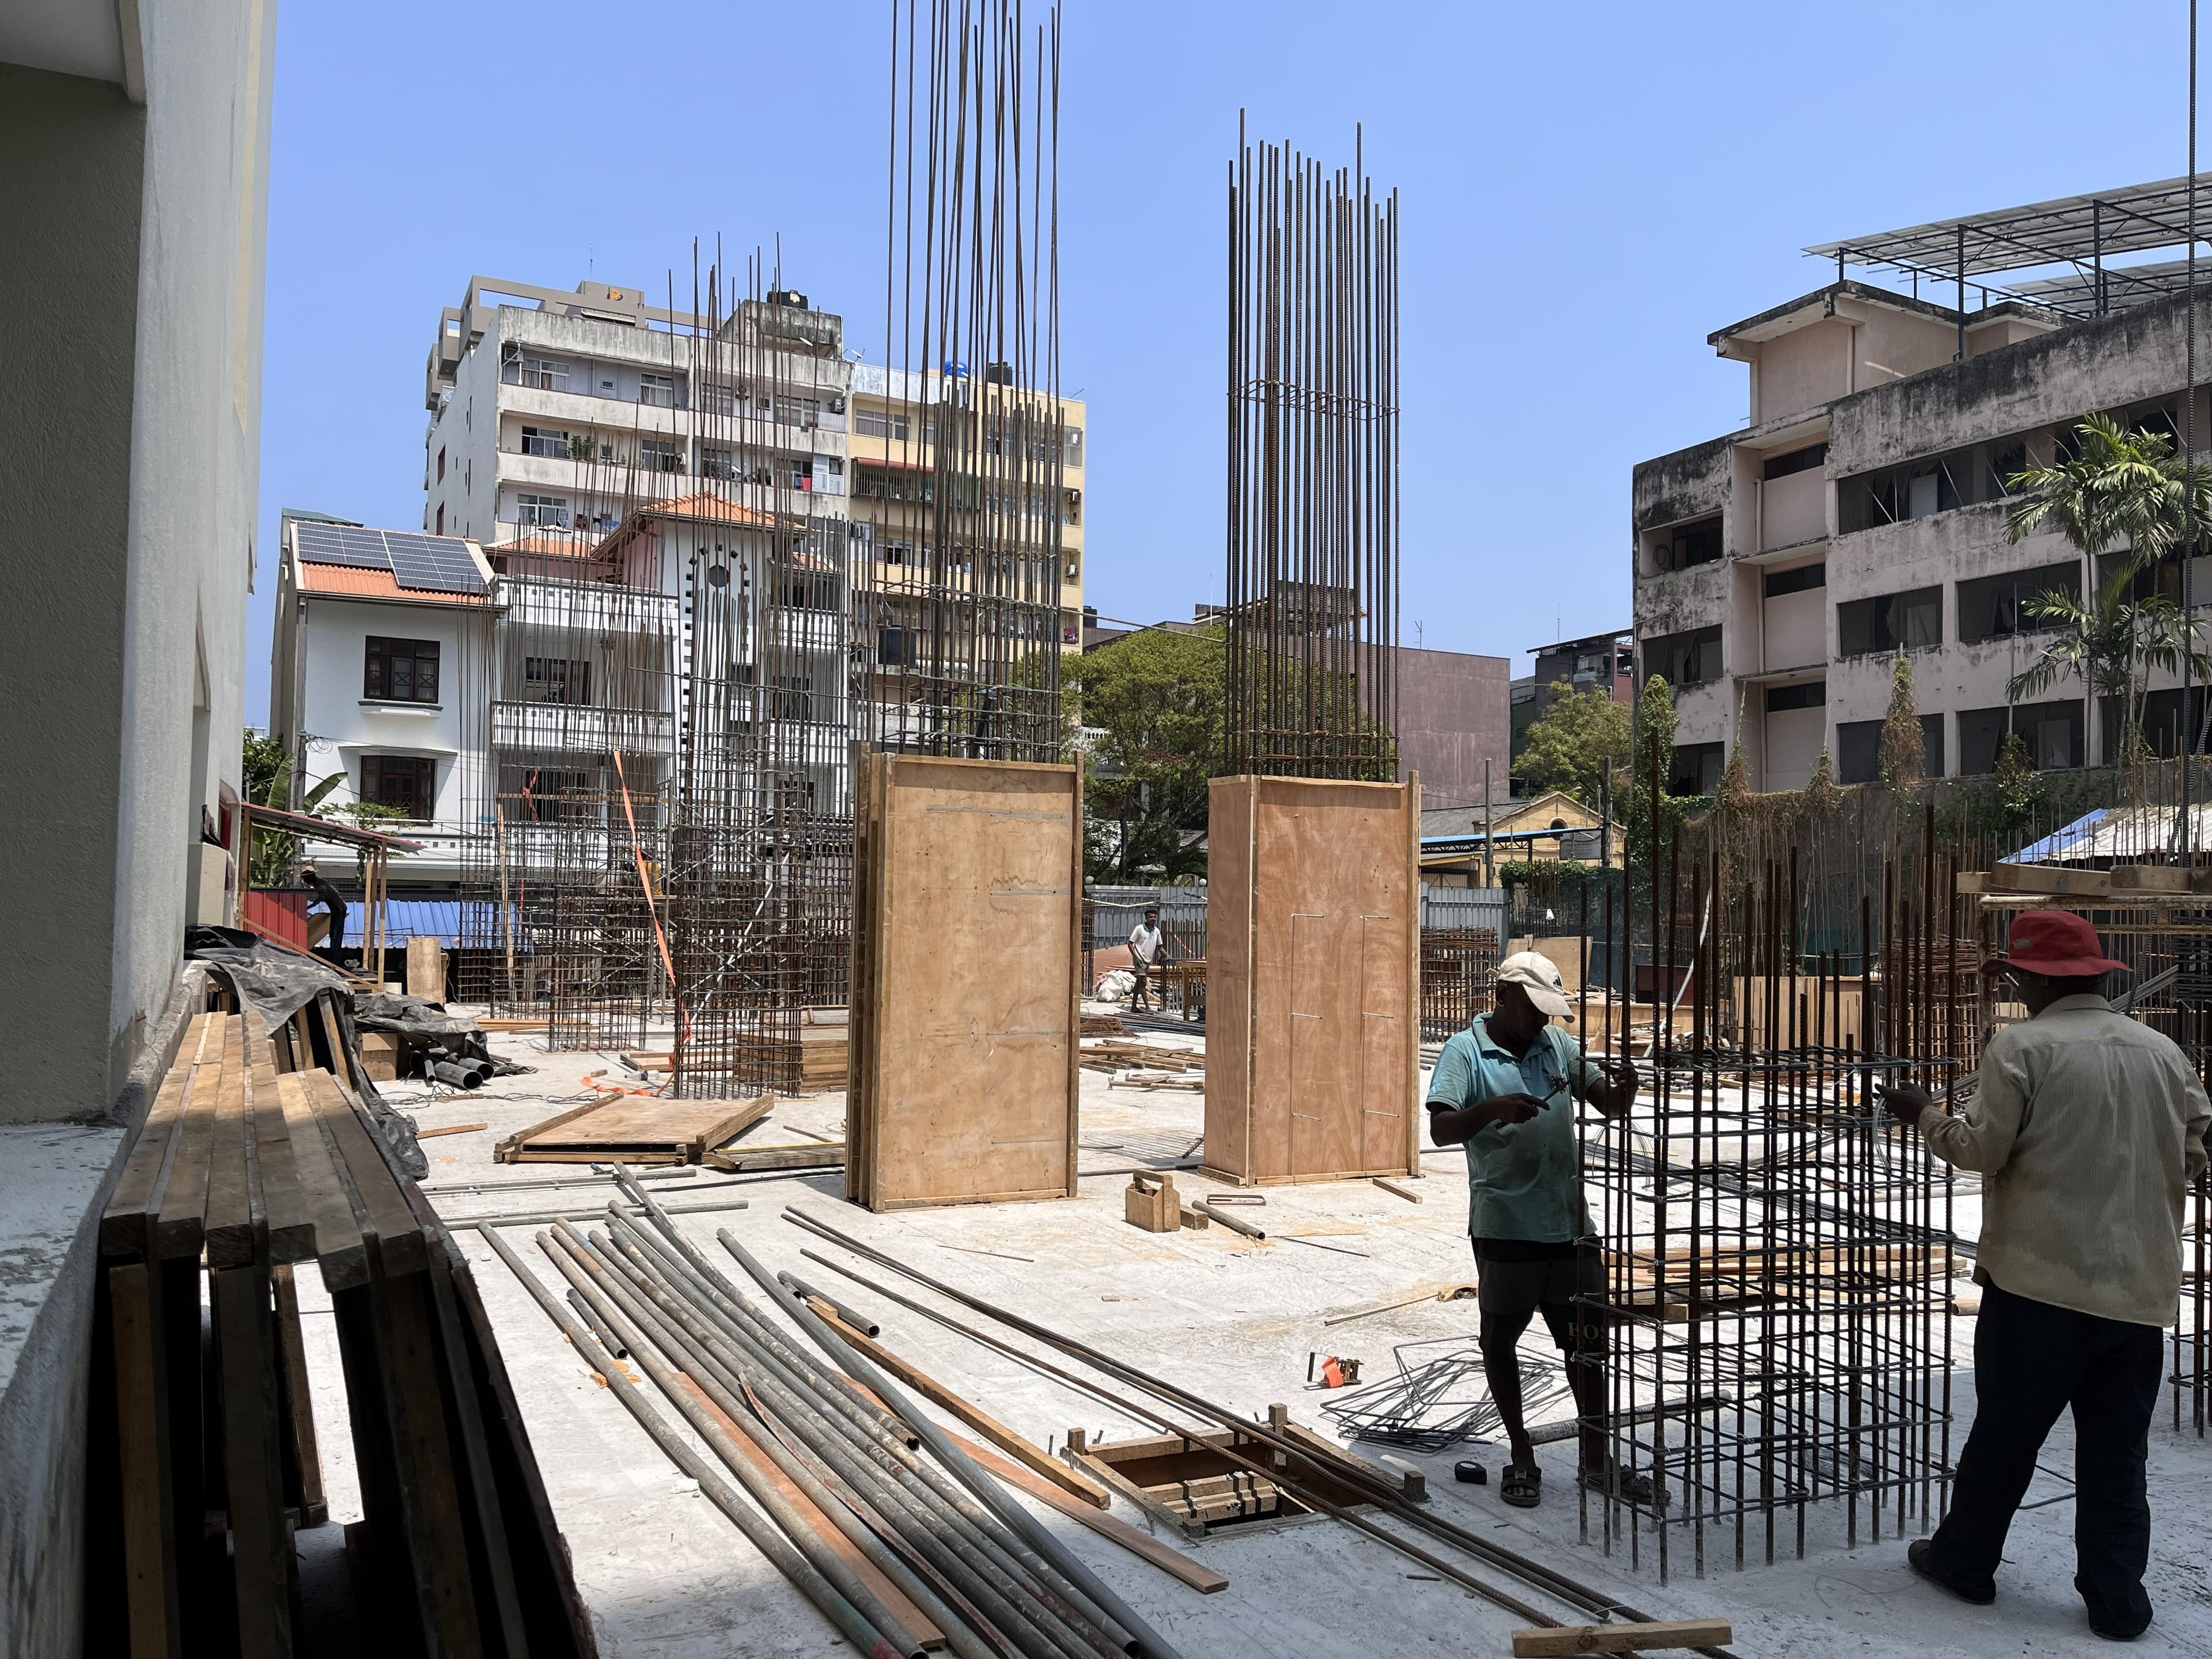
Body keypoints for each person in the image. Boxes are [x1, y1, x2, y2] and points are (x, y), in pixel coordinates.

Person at [1881, 908, 2209, 1642]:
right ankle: (2117, 1601)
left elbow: (1981, 1151)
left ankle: (1965, 1565)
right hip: (2136, 1294)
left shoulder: (2023, 1047)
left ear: (2035, 978)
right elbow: (2194, 1147)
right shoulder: (2162, 1052)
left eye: (2018, 977)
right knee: (2117, 1455)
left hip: (2038, 1290)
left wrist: (1924, 1114)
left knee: (2005, 1437)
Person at [1425, 950, 1654, 1509]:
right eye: (1533, 1010)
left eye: (1549, 1013)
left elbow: (1608, 1103)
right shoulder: (1465, 1052)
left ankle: (1596, 1463)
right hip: (1506, 1227)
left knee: (1590, 1345)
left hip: (1570, 1226)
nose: (1542, 1022)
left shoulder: (1557, 1046)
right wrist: (1493, 1110)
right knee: (1501, 1342)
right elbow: (1439, 1127)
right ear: (1502, 996)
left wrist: (1625, 1089)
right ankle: (1521, 1452)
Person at [1128, 907, 1166, 1012]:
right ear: (1146, 918)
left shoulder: (1156, 931)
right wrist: (1136, 956)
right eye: (1151, 917)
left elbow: (1159, 946)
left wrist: (1166, 955)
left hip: (1148, 961)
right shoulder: (1139, 928)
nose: (1153, 919)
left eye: (1154, 917)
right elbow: (1130, 943)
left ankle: (1133, 1007)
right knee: (1143, 982)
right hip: (1139, 959)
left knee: (1139, 984)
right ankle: (1148, 1007)